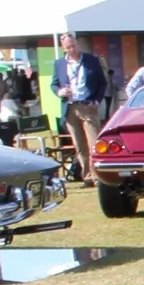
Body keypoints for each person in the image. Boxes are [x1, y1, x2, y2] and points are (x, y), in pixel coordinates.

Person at [49, 33, 108, 184]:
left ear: (78, 44)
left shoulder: (92, 60)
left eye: (74, 46)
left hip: (88, 106)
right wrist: (59, 91)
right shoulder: (59, 63)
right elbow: (54, 84)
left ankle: (98, 176)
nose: (72, 50)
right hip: (70, 107)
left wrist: (97, 100)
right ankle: (87, 176)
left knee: (93, 142)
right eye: (68, 47)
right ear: (63, 48)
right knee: (79, 144)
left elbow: (102, 83)